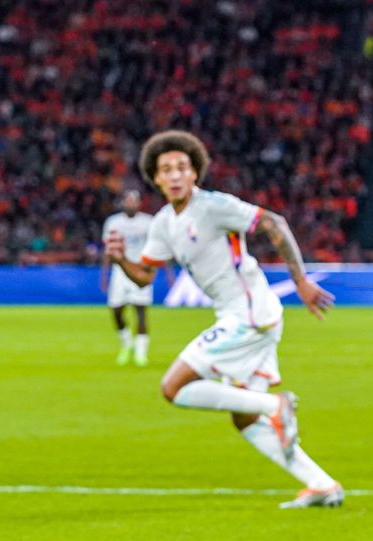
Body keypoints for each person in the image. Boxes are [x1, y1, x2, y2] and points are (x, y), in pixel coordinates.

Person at [105, 130, 344, 509]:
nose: (175, 175)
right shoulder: (164, 223)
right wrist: (120, 259)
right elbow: (145, 275)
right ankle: (322, 484)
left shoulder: (213, 206)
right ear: (156, 178)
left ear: (194, 172)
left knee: (173, 388)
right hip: (246, 315)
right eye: (166, 169)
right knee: (243, 418)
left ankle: (275, 406)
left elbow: (274, 223)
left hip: (248, 314)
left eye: (182, 167)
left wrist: (300, 280)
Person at [101, 190, 170, 366]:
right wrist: (104, 275)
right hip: (119, 271)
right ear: (123, 203)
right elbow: (108, 250)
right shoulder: (113, 222)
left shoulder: (148, 222)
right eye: (127, 200)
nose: (130, 204)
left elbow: (159, 248)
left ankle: (141, 354)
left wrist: (168, 273)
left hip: (140, 268)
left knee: (140, 311)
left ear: (139, 203)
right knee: (116, 311)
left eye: (133, 201)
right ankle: (127, 345)